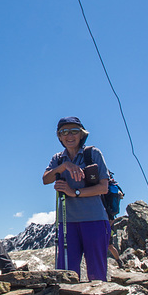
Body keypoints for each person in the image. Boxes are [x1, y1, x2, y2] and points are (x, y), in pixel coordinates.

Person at [42, 116, 110, 281]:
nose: (69, 135)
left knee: (97, 274)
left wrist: (74, 192)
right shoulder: (58, 159)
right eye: (64, 132)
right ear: (59, 136)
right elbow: (45, 179)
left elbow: (103, 187)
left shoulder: (92, 154)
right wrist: (64, 166)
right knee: (66, 274)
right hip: (67, 223)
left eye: (74, 131)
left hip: (94, 220)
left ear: (82, 134)